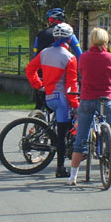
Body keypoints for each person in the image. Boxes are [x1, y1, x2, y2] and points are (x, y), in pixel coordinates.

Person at [68, 28, 111, 186]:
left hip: (87, 99)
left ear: (92, 40)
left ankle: (73, 177)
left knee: (80, 138)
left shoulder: (84, 57)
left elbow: (81, 73)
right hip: (105, 99)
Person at [25, 23, 79, 177]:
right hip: (61, 98)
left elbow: (30, 69)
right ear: (69, 39)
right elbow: (71, 86)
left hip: (49, 97)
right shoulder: (70, 58)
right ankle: (60, 168)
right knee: (62, 135)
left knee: (58, 129)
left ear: (55, 37)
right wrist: (76, 105)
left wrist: (39, 84)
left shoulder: (44, 53)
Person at [32, 8, 82, 109]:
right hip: (60, 76)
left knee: (40, 105)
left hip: (42, 74)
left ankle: (37, 120)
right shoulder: (68, 34)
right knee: (65, 105)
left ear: (50, 20)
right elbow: (79, 54)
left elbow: (35, 55)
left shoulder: (40, 35)